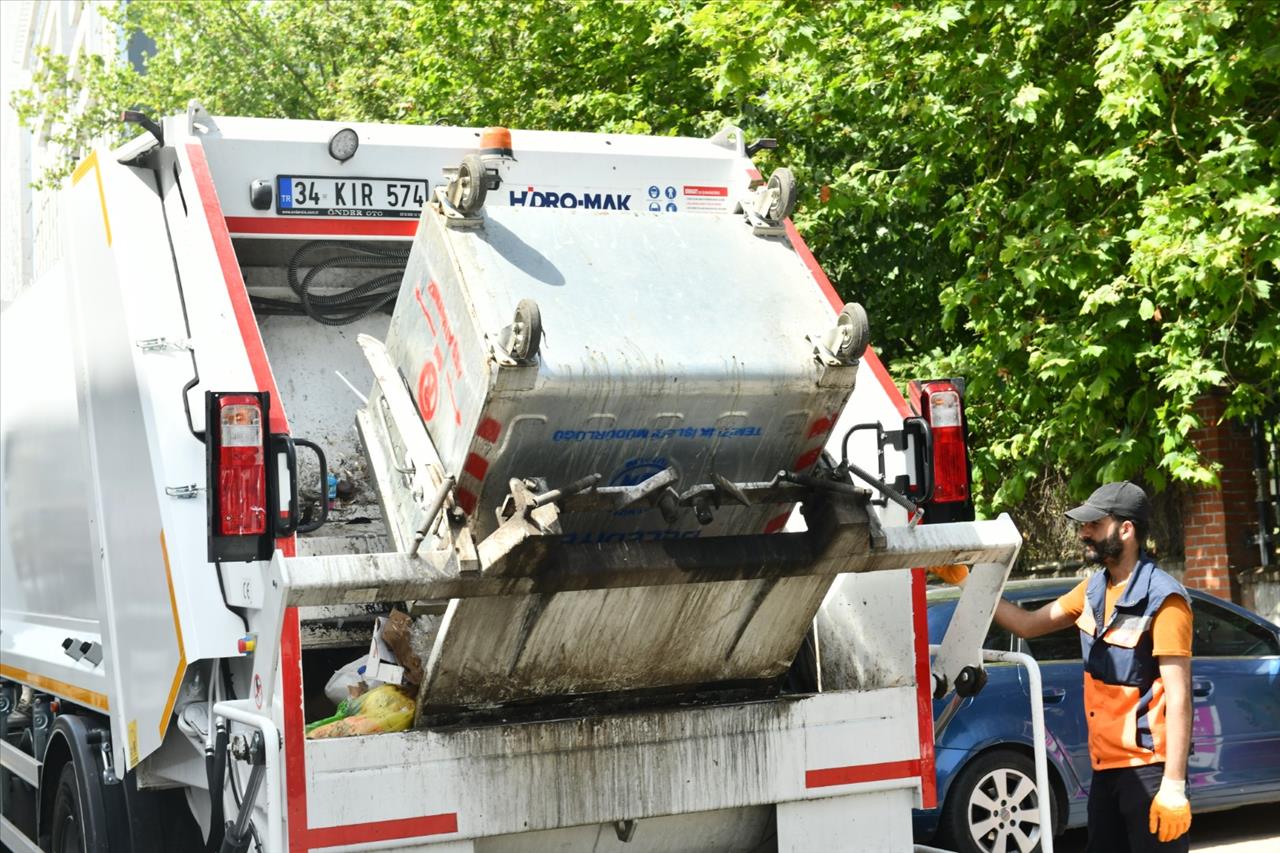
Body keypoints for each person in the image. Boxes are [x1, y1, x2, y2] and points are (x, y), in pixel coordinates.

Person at [933, 481, 1193, 851]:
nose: (1083, 532)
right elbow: (1026, 624)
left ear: (1126, 530)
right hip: (1106, 770)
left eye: (1093, 525)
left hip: (1150, 771)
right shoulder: (1091, 591)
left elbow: (1179, 698)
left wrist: (1173, 785)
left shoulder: (1164, 600)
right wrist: (966, 580)